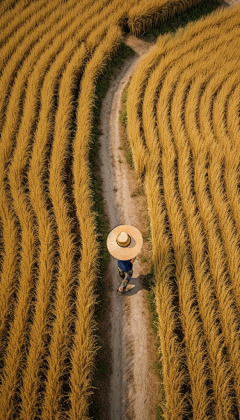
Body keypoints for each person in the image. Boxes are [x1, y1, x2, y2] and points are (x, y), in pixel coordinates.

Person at [106, 225, 143, 295]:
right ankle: (121, 289)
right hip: (127, 268)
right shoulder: (128, 256)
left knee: (121, 271)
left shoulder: (117, 253)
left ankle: (121, 275)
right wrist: (133, 258)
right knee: (128, 276)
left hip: (119, 266)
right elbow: (131, 261)